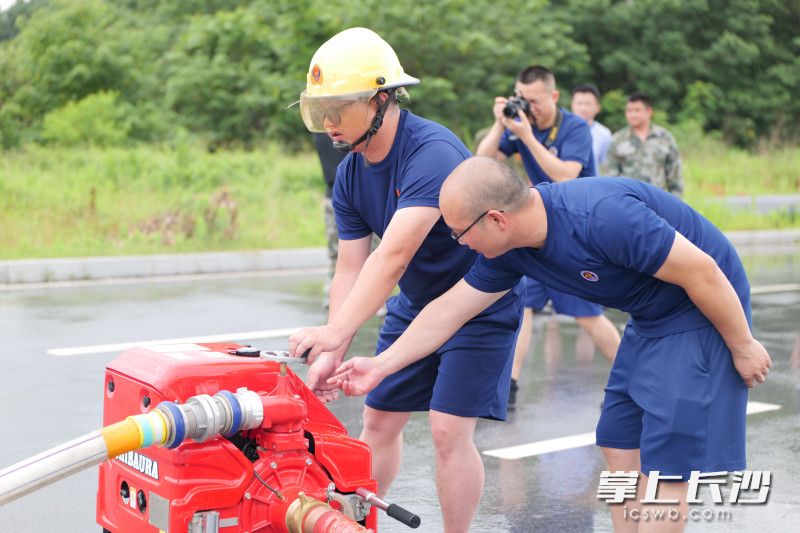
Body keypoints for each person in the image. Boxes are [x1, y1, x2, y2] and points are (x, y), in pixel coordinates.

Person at [324, 156, 772, 533]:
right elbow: (448, 311)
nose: (458, 243)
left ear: (497, 219)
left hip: (702, 309)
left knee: (666, 467)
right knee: (619, 442)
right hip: (652, 316)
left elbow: (704, 272)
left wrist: (743, 344)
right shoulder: (511, 249)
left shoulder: (601, 216)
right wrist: (381, 365)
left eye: (459, 233)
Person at [290, 28, 523, 533]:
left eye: (340, 109)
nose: (328, 124)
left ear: (379, 100)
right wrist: (336, 342)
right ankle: (357, 523)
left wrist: (331, 336)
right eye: (321, 111)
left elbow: (391, 257)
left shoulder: (431, 153)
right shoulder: (351, 174)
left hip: (478, 300)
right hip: (418, 303)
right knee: (379, 420)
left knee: (447, 432)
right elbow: (350, 266)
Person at [476, 66, 620, 406]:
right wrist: (500, 122)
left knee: (587, 315)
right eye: (522, 100)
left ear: (554, 96)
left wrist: (526, 137)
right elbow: (481, 162)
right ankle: (508, 386)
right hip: (537, 228)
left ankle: (635, 379)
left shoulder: (575, 129)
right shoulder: (518, 123)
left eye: (536, 101)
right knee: (523, 306)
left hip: (577, 229)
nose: (530, 108)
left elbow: (567, 176)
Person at [604, 91, 684, 197]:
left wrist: (675, 205)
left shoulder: (665, 138)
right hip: (628, 202)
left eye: (637, 110)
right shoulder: (617, 140)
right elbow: (611, 179)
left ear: (649, 111)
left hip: (658, 201)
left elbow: (675, 177)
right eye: (629, 111)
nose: (632, 114)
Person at [314, 132, 347, 308]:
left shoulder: (320, 131)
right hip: (354, 196)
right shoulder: (349, 129)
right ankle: (382, 308)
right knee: (375, 252)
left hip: (331, 197)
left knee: (335, 254)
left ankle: (332, 301)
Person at [570, 83, 613, 171]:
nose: (583, 108)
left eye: (588, 104)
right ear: (572, 105)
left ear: (597, 107)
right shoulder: (561, 129)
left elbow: (607, 167)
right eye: (579, 103)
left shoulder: (604, 134)